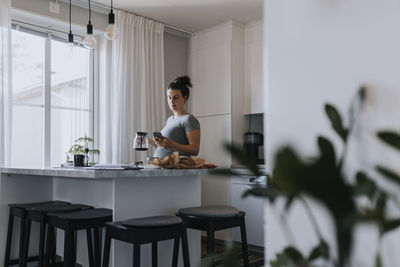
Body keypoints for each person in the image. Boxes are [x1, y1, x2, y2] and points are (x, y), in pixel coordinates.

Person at [150, 76, 200, 159]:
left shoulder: (189, 119)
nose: (171, 101)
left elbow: (195, 150)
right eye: (169, 97)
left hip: (177, 168)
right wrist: (147, 141)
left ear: (185, 97)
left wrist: (172, 144)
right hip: (163, 167)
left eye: (175, 97)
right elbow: (167, 148)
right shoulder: (170, 119)